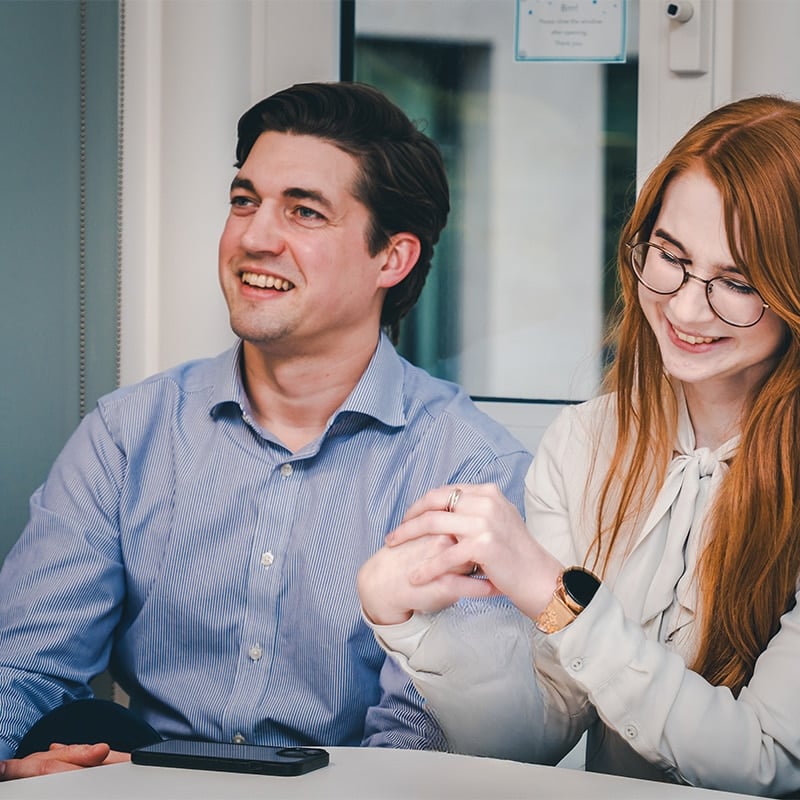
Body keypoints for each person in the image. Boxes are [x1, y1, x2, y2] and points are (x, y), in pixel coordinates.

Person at [0, 81, 531, 780]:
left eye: (304, 211)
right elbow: (22, 666)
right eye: (244, 200)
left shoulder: (471, 470)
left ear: (391, 259)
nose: (253, 237)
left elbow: (422, 746)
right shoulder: (129, 436)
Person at [358, 94, 800, 797]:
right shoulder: (586, 444)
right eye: (671, 257)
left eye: (737, 283)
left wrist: (557, 598)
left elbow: (766, 764)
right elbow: (533, 738)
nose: (686, 309)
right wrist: (409, 626)